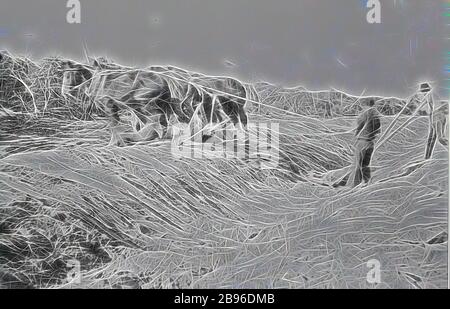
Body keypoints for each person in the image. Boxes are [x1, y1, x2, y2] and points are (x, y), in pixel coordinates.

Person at [350, 99, 381, 187]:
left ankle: (355, 184)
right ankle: (368, 183)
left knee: (358, 165)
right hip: (371, 142)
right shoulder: (375, 115)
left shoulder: (364, 114)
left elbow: (359, 126)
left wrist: (356, 135)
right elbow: (378, 129)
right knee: (366, 164)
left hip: (362, 141)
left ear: (365, 104)